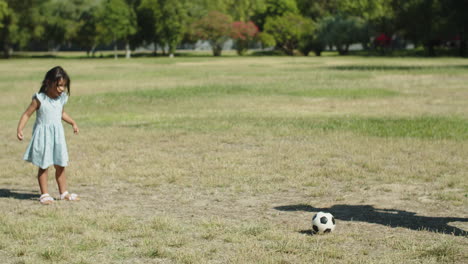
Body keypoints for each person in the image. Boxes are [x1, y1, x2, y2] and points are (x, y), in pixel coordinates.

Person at [17, 66, 80, 205]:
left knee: (61, 164)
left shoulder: (61, 99)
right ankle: (44, 194)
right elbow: (27, 114)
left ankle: (64, 193)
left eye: (64, 86)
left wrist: (72, 122)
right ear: (48, 82)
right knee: (44, 165)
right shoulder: (40, 99)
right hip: (43, 137)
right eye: (59, 85)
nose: (62, 89)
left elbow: (61, 113)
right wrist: (20, 128)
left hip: (58, 137)